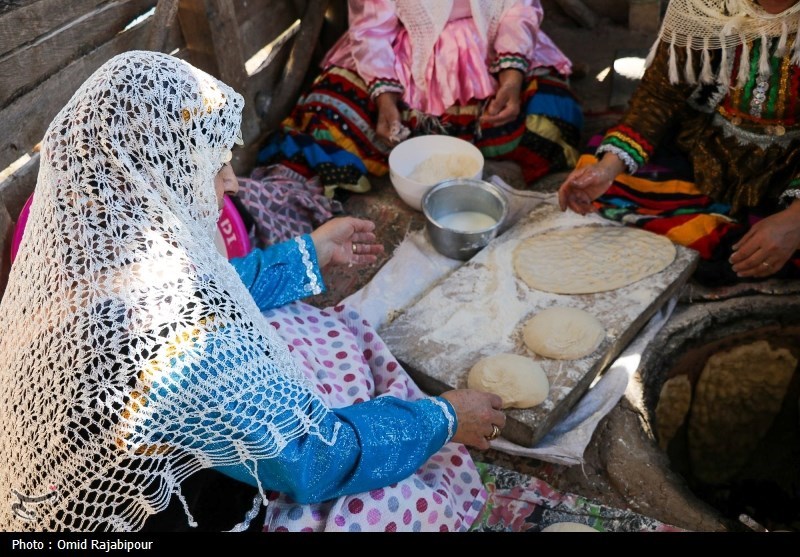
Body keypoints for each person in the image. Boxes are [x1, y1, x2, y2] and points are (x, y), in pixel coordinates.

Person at [0, 50, 506, 532]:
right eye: (213, 165)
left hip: (83, 487)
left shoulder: (91, 250)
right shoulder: (181, 350)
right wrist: (443, 418)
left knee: (285, 326)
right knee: (388, 500)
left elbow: (211, 291)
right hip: (142, 523)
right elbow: (316, 456)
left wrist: (306, 253)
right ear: (159, 178)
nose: (234, 184)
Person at [557, 0, 800, 286]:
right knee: (598, 179)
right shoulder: (704, 4)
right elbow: (661, 94)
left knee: (749, 253)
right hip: (707, 153)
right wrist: (609, 168)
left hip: (789, 176)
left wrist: (792, 222)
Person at [254, 0, 583, 205]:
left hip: (491, 48)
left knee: (554, 112)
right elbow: (371, 30)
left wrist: (511, 78)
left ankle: (430, 141)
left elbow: (518, 9)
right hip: (404, 56)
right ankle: (448, 138)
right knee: (329, 115)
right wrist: (385, 100)